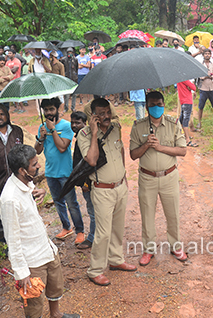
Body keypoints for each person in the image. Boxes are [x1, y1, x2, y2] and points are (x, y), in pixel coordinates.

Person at [0, 144, 80, 318]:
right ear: (22, 170)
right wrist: (22, 272)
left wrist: (39, 191)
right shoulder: (9, 199)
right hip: (32, 261)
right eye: (34, 164)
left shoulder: (24, 182)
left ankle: (56, 314)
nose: (39, 166)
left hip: (46, 249)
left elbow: (29, 199)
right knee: (34, 302)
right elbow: (12, 241)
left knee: (55, 286)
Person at [77, 98, 137, 286]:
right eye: (101, 113)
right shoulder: (84, 134)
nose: (106, 116)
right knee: (103, 233)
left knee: (118, 228)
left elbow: (120, 152)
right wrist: (95, 134)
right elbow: (92, 160)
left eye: (108, 112)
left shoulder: (116, 127)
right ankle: (95, 270)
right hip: (102, 190)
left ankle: (116, 260)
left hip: (119, 186)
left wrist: (125, 176)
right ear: (93, 116)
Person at [130, 91, 188, 266]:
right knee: (147, 215)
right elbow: (133, 154)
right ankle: (149, 250)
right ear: (147, 107)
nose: (157, 108)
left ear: (164, 104)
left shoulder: (173, 123)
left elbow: (182, 150)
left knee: (173, 214)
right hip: (147, 178)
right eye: (153, 105)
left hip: (169, 176)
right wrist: (147, 145)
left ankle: (176, 246)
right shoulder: (138, 126)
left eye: (160, 104)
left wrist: (160, 147)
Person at [35, 98, 84, 244]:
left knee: (72, 203)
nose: (49, 112)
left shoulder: (67, 126)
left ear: (58, 109)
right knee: (58, 202)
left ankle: (80, 230)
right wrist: (41, 137)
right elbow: (37, 151)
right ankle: (66, 227)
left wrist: (53, 130)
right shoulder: (42, 127)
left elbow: (62, 147)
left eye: (51, 109)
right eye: (46, 110)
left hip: (65, 172)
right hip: (50, 172)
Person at [0, 104, 23, 209]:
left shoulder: (17, 131)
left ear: (7, 116)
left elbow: (22, 154)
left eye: (2, 114)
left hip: (18, 183)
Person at [70, 111, 95, 250]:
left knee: (92, 210)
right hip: (85, 181)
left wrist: (85, 182)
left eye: (77, 123)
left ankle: (92, 238)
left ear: (85, 124)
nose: (74, 125)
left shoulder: (85, 138)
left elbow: (87, 162)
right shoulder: (79, 137)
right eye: (72, 122)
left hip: (88, 182)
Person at [196, 48, 213, 129]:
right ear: (203, 55)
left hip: (212, 87)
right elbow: (199, 76)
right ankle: (199, 122)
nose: (207, 55)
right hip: (203, 88)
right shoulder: (200, 64)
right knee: (201, 106)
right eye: (205, 53)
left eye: (208, 54)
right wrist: (207, 76)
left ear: (210, 55)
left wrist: (210, 76)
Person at [177, 79, 197, 146]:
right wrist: (190, 86)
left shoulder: (178, 80)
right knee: (185, 120)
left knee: (182, 119)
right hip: (187, 100)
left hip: (182, 100)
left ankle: (182, 135)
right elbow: (194, 88)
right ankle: (187, 140)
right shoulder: (185, 79)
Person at [61, 47, 78, 113]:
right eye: (68, 52)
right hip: (66, 78)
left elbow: (76, 68)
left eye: (71, 52)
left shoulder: (75, 59)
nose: (70, 54)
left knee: (74, 94)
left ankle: (73, 107)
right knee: (67, 95)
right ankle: (66, 108)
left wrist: (75, 76)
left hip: (74, 79)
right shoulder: (64, 59)